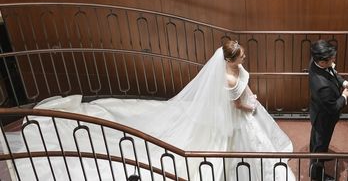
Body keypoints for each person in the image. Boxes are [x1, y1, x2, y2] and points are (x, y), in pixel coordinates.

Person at [3, 40, 295, 181]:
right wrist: (250, 104)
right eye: (241, 55)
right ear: (231, 59)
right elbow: (235, 103)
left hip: (244, 109)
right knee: (239, 146)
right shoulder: (228, 79)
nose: (244, 57)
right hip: (240, 114)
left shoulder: (234, 70)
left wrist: (251, 99)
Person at [309, 40, 348, 181]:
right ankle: (316, 174)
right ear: (322, 62)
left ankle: (320, 154)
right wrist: (344, 96)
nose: (334, 60)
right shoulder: (322, 86)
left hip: (319, 111)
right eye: (332, 59)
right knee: (320, 143)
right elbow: (333, 107)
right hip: (324, 118)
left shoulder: (315, 60)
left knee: (318, 140)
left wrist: (343, 82)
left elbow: (332, 73)